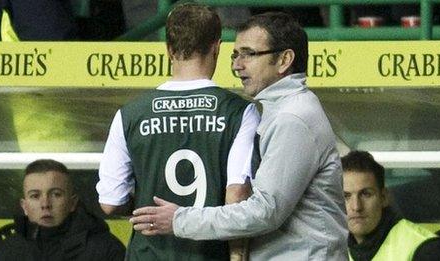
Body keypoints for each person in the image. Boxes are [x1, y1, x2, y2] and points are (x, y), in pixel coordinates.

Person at [130, 11, 349, 260]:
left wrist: (180, 220)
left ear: (284, 59)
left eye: (249, 54)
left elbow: (266, 211)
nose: (236, 65)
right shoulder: (278, 110)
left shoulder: (292, 118)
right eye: (235, 54)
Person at [96, 3, 259, 260]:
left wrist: (142, 205)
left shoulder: (129, 115)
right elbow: (236, 195)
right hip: (207, 254)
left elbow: (109, 202)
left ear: (169, 50)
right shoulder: (240, 112)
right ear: (217, 47)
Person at [0, 159, 125, 261]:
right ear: (24, 206)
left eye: (56, 194)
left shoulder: (106, 250)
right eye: (35, 196)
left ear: (72, 203)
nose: (45, 204)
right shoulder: (5, 251)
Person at [341, 150, 440, 261]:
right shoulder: (334, 248)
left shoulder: (426, 250)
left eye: (366, 194)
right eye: (346, 196)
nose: (356, 207)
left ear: (384, 197)